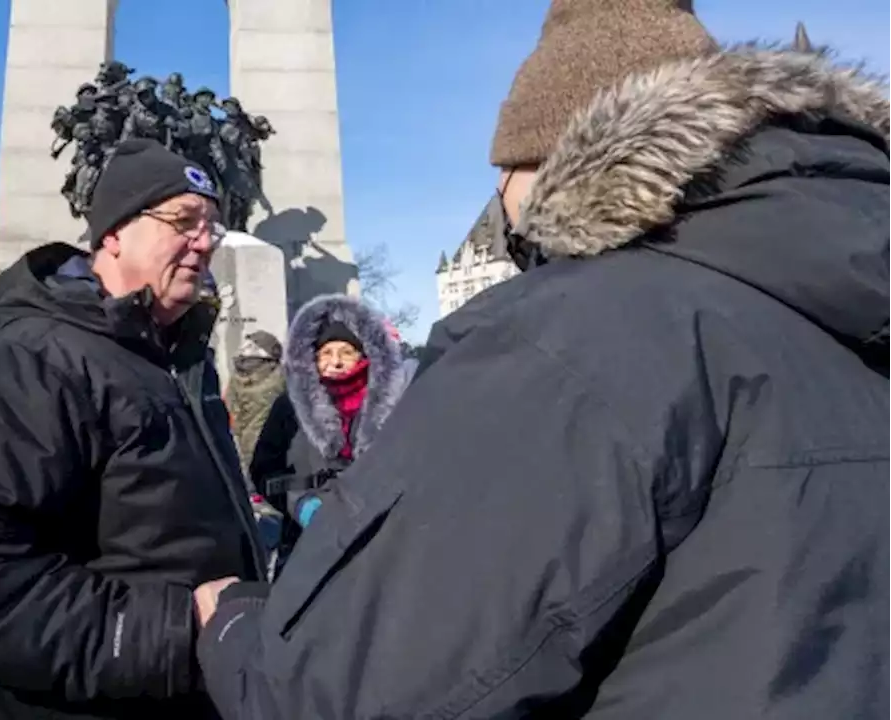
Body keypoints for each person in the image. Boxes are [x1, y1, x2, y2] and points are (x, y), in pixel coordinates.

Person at [195, 2, 891, 717]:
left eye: (506, 171)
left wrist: (234, 626)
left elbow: (338, 696)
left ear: (562, 156)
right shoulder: (847, 311)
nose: (500, 201)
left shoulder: (571, 339)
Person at [0, 138, 267, 719]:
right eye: (183, 221)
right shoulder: (32, 361)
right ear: (114, 233)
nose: (204, 243)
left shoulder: (177, 357)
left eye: (212, 227)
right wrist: (180, 626)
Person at [250, 295, 406, 564]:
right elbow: (264, 470)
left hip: (378, 539)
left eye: (346, 353)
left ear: (363, 356)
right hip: (305, 539)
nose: (335, 362)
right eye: (326, 353)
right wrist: (299, 504)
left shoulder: (390, 404)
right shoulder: (289, 406)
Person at [224, 330, 286, 473]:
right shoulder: (237, 377)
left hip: (268, 448)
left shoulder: (278, 378)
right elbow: (230, 409)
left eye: (253, 345)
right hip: (240, 446)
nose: (246, 348)